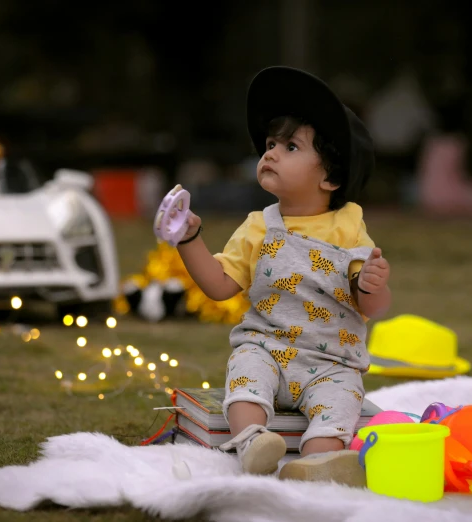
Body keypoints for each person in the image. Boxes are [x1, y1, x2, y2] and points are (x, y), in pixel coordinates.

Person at [171, 66, 391, 487]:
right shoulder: (258, 225)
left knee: (340, 404)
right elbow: (218, 286)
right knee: (245, 378)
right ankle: (253, 440)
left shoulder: (348, 226)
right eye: (270, 144)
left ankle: (316, 461)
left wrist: (372, 285)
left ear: (330, 177)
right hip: (267, 347)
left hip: (331, 363)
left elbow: (373, 307)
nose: (269, 153)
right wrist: (189, 239)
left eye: (290, 147)